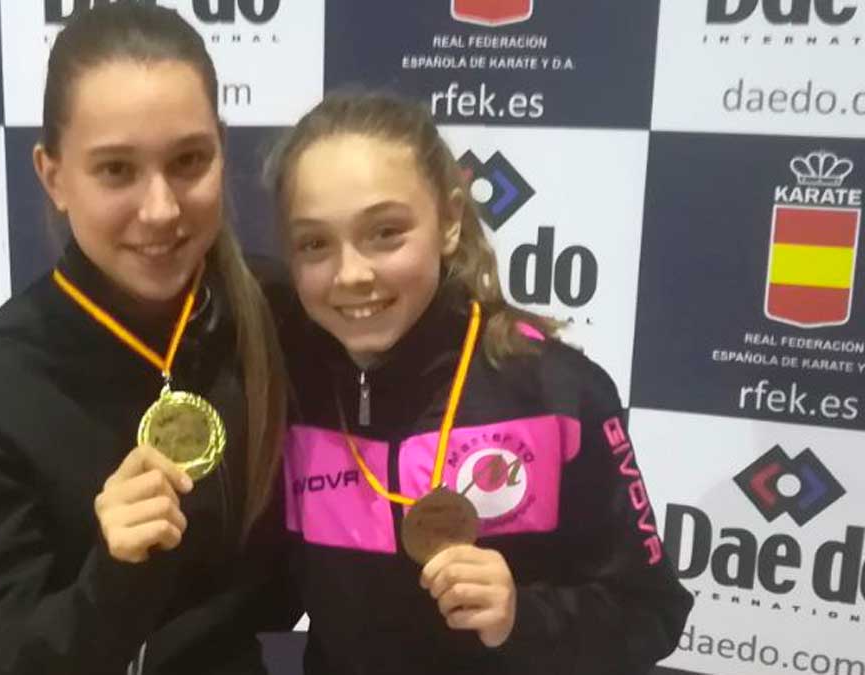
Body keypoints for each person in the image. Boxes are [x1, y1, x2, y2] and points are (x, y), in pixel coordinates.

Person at [264, 92, 692, 674]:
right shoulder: (290, 389)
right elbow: (263, 593)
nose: (352, 274)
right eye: (314, 243)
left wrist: (522, 618)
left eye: (386, 232)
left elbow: (651, 612)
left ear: (448, 221)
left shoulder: (557, 394)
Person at [0, 6, 294, 674]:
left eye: (189, 160)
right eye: (116, 170)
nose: (160, 208)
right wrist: (113, 578)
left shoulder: (280, 315)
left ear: (223, 147)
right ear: (53, 175)